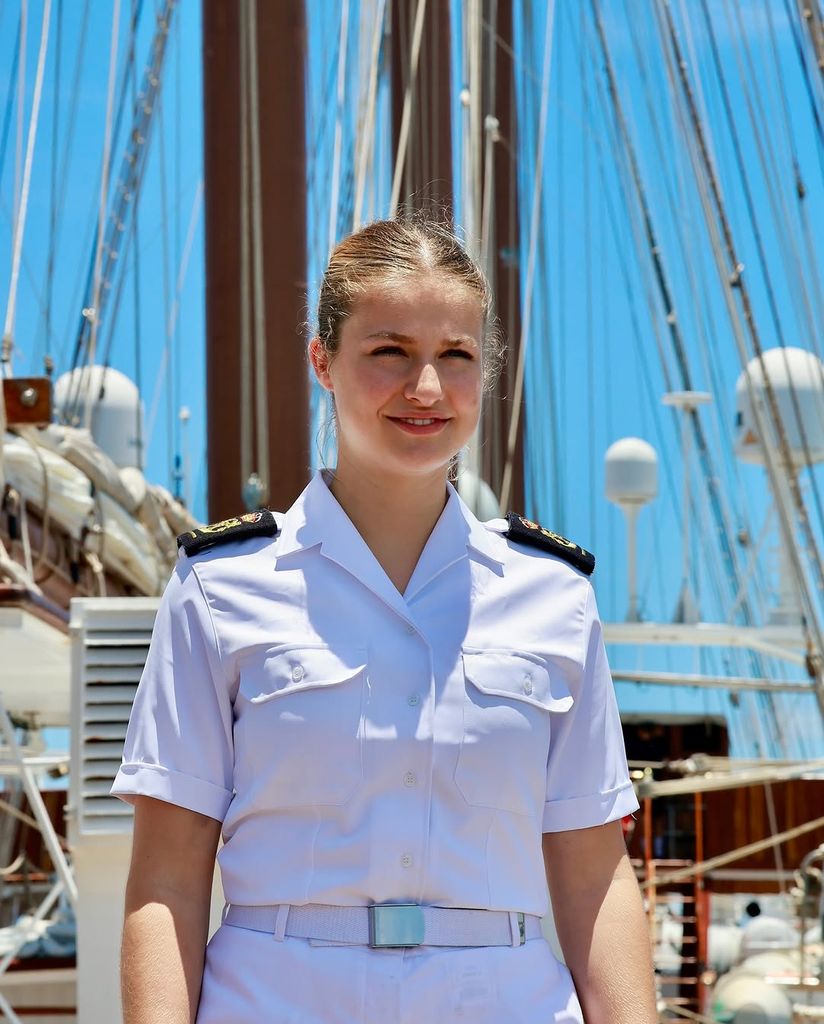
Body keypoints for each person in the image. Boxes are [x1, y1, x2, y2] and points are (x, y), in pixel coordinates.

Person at [113, 217, 658, 1024]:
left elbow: (593, 876)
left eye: (457, 356)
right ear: (322, 361)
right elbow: (165, 878)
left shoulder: (555, 597)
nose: (427, 388)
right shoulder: (220, 588)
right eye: (390, 351)